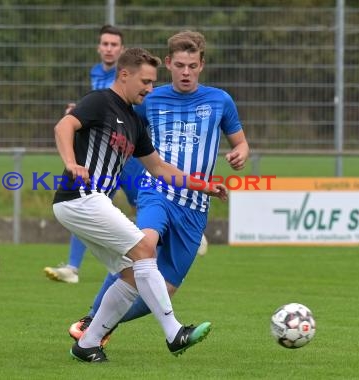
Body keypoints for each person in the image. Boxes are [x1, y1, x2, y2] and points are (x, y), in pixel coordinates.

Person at [67, 30, 249, 346]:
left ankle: (101, 325)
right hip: (157, 191)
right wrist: (83, 117)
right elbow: (115, 109)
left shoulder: (220, 101)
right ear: (168, 63)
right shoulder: (151, 99)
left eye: (192, 65)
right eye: (179, 65)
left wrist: (239, 154)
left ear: (202, 64)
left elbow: (241, 141)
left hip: (195, 206)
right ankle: (94, 319)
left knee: (165, 288)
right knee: (143, 247)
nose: (186, 72)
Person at [44, 25, 145, 284]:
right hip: (103, 156)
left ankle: (156, 249)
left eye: (114, 45)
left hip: (129, 157)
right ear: (98, 47)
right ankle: (73, 267)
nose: (109, 48)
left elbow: (130, 110)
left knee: (143, 205)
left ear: (121, 51)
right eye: (105, 44)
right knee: (88, 203)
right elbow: (100, 107)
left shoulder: (130, 76)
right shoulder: (96, 73)